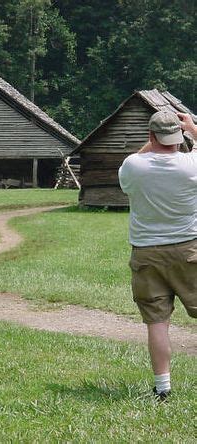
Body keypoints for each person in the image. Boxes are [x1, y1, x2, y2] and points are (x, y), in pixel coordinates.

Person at [118, 111, 196, 401]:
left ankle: (162, 388)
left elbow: (134, 162)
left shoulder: (133, 166)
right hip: (189, 249)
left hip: (146, 254)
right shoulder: (191, 165)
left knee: (157, 323)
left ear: (151, 137)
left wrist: (151, 142)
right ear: (178, 137)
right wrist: (193, 129)